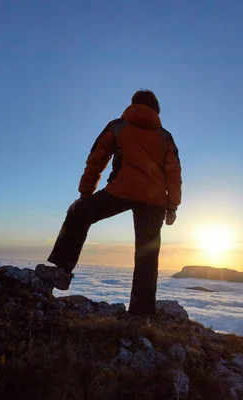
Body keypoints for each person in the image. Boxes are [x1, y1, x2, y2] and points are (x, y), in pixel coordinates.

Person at [36, 90, 182, 317]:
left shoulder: (118, 126)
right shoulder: (165, 136)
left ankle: (62, 272)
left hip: (120, 190)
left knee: (79, 213)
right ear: (156, 110)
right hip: (154, 202)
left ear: (132, 104)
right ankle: (140, 316)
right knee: (147, 256)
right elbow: (173, 173)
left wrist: (85, 195)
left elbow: (96, 159)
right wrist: (172, 206)